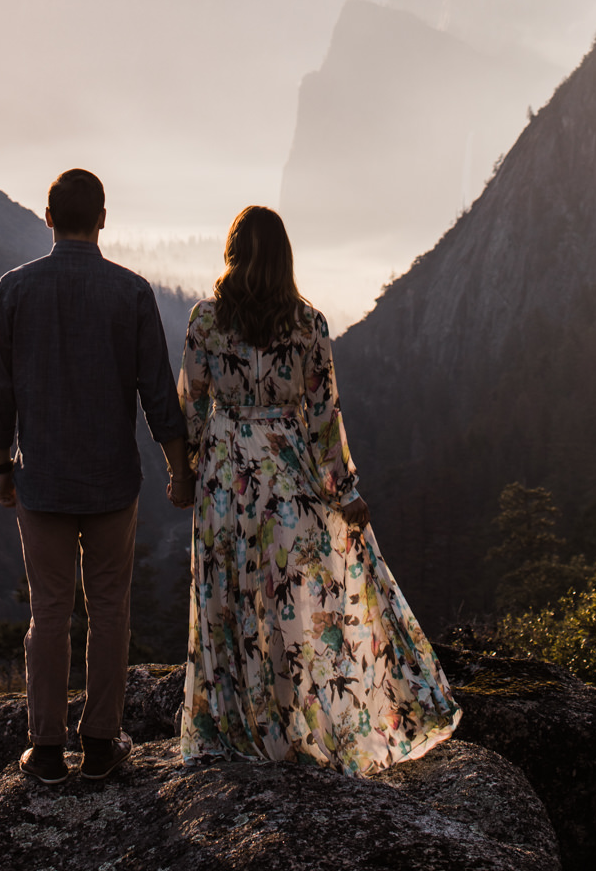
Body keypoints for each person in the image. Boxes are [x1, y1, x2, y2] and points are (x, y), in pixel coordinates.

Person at [178, 206, 460, 772]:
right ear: (285, 256)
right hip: (287, 474)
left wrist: (186, 469)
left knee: (228, 599)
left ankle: (231, 729)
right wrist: (343, 488)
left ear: (232, 252)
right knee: (291, 603)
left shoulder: (205, 320)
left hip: (225, 477)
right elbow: (323, 415)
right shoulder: (308, 324)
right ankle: (295, 727)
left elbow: (190, 403)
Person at [0, 167, 195, 786]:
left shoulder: (14, 289)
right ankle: (100, 743)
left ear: (48, 217)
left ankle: (45, 750)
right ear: (102, 219)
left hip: (41, 480)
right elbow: (158, 393)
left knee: (48, 612)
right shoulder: (130, 293)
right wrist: (178, 469)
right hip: (110, 484)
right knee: (109, 611)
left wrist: (0, 464)